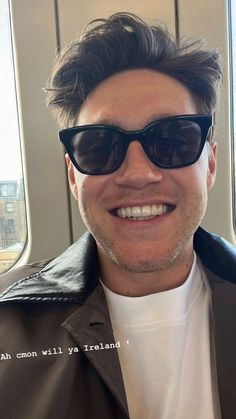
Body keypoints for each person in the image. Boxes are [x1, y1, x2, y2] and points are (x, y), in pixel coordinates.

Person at [0, 12, 235, 419]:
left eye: (173, 140)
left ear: (210, 165)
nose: (138, 174)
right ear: (73, 175)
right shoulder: (7, 327)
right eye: (99, 145)